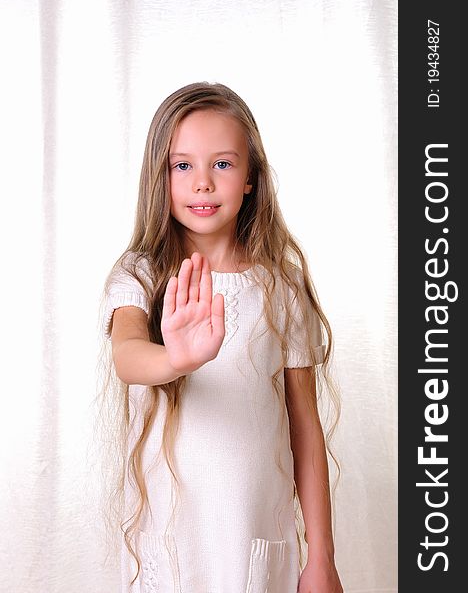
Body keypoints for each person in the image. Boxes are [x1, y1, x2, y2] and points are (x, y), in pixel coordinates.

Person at [102, 82, 343, 593]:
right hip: (171, 544)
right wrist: (175, 359)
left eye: (224, 164)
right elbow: (127, 356)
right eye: (182, 166)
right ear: (159, 177)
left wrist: (320, 557)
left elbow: (305, 427)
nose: (203, 184)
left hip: (257, 540)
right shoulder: (140, 275)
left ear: (252, 177)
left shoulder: (280, 286)